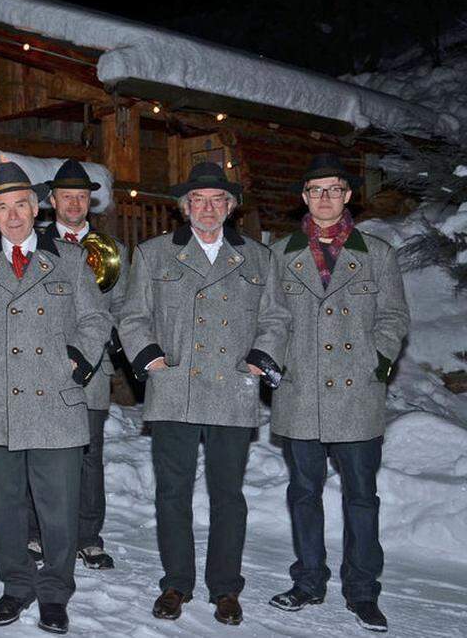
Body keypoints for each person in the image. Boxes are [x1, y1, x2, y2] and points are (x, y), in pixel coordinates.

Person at [116, 162, 289, 626]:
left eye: (217, 200)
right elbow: (133, 316)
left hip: (233, 389)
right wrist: (150, 358)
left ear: (231, 208)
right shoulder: (154, 254)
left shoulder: (258, 257)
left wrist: (259, 357)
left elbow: (277, 318)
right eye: (198, 200)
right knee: (172, 492)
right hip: (175, 389)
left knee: (227, 495)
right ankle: (176, 583)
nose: (208, 208)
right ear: (185, 207)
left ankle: (226, 588)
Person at [0, 162, 112, 634]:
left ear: (36, 208)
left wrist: (77, 361)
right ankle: (16, 586)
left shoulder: (70, 259)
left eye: (21, 204)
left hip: (56, 402)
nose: (13, 214)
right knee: (6, 506)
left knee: (58, 510)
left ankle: (55, 593)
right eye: (2, 207)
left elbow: (96, 320)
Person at [267, 154, 410, 633]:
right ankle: (308, 581)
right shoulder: (281, 253)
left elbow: (394, 317)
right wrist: (274, 362)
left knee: (361, 498)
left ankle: (363, 591)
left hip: (357, 396)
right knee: (303, 493)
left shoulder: (378, 254)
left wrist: (379, 360)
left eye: (334, 189)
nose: (324, 198)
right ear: (304, 197)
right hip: (301, 392)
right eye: (315, 190)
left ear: (348, 195)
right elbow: (271, 318)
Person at [45, 159, 130, 570]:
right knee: (39, 451)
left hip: (93, 367)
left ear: (90, 202)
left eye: (81, 197)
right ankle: (36, 534)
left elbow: (123, 307)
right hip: (41, 366)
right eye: (67, 196)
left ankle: (88, 537)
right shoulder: (34, 242)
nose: (75, 203)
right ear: (53, 201)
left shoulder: (116, 252)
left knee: (89, 454)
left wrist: (96, 345)